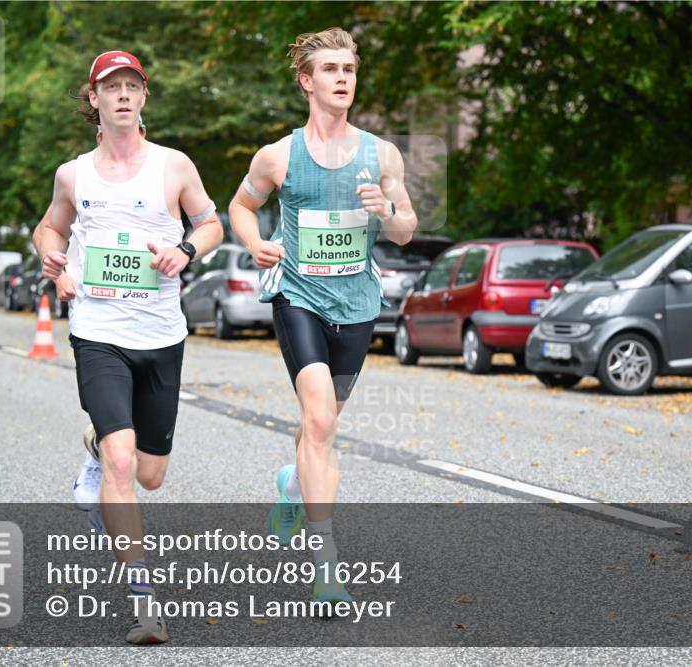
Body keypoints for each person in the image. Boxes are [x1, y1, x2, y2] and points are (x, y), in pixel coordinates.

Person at [33, 50, 223, 643]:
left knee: (150, 473)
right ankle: (145, 603)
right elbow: (50, 226)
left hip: (161, 333)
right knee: (122, 461)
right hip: (97, 331)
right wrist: (53, 260)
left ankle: (94, 445)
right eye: (110, 86)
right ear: (92, 99)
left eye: (131, 86)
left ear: (144, 97)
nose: (121, 95)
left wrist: (187, 251)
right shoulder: (73, 174)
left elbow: (211, 224)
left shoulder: (173, 167)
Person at [228, 28, 417, 604]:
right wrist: (255, 243)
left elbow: (406, 231)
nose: (342, 79)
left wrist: (386, 209)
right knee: (318, 422)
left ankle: (293, 483)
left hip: (357, 302)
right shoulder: (277, 155)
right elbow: (240, 205)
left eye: (349, 70)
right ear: (306, 81)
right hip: (299, 296)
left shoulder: (381, 154)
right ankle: (325, 560)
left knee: (324, 424)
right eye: (330, 69)